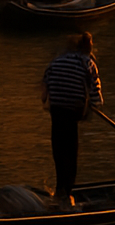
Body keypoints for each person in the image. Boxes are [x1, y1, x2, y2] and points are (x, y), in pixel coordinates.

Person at [41, 31, 103, 209]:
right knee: (71, 152)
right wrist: (95, 106)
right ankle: (67, 192)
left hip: (57, 111)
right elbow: (95, 91)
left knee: (59, 151)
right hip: (72, 111)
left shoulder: (55, 62)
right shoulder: (88, 63)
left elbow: (44, 93)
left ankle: (61, 189)